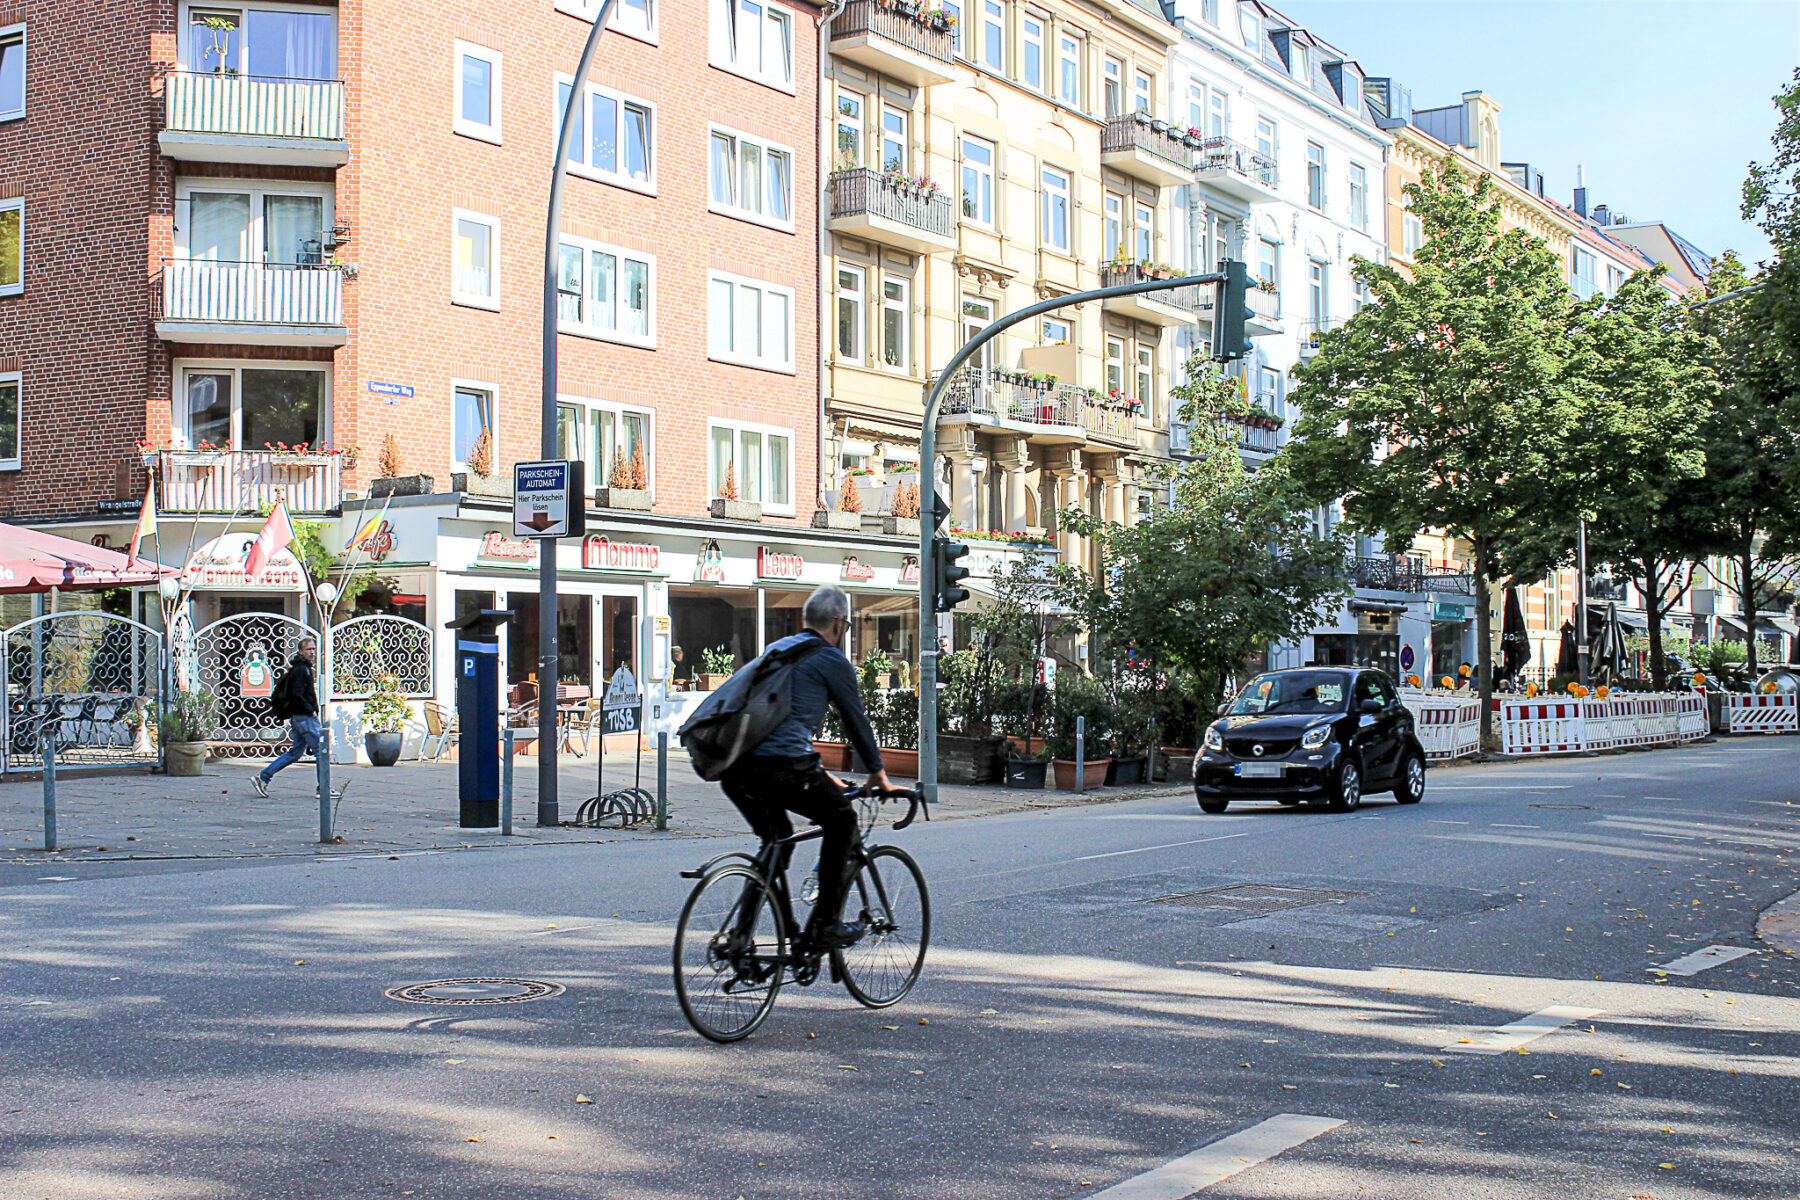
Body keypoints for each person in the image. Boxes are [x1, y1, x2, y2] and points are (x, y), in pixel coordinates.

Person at [719, 585, 892, 953]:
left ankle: (741, 937)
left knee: (776, 840)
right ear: (840, 625)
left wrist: (823, 775)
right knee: (842, 821)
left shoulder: (777, 650)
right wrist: (877, 772)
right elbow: (855, 719)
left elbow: (776, 722)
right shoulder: (831, 660)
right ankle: (826, 925)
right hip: (783, 767)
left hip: (736, 769)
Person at [252, 638, 320, 797]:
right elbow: (297, 695)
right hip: (304, 717)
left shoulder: (302, 668)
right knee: (321, 751)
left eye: (313, 649)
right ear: (301, 652)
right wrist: (311, 711)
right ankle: (322, 788)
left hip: (299, 716)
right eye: (308, 649)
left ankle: (263, 777)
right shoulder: (301, 669)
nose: (312, 652)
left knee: (295, 753)